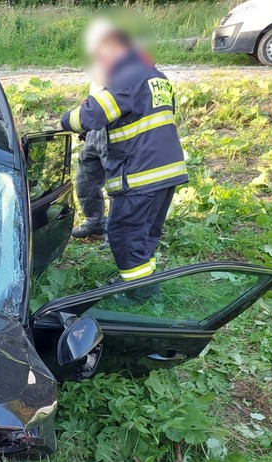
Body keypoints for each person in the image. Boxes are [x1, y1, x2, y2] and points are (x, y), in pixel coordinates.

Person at [60, 18, 187, 287]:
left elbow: (91, 115)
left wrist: (66, 119)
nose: (98, 63)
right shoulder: (157, 77)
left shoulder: (127, 76)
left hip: (140, 175)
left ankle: (137, 293)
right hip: (166, 173)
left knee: (124, 233)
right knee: (145, 233)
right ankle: (144, 279)